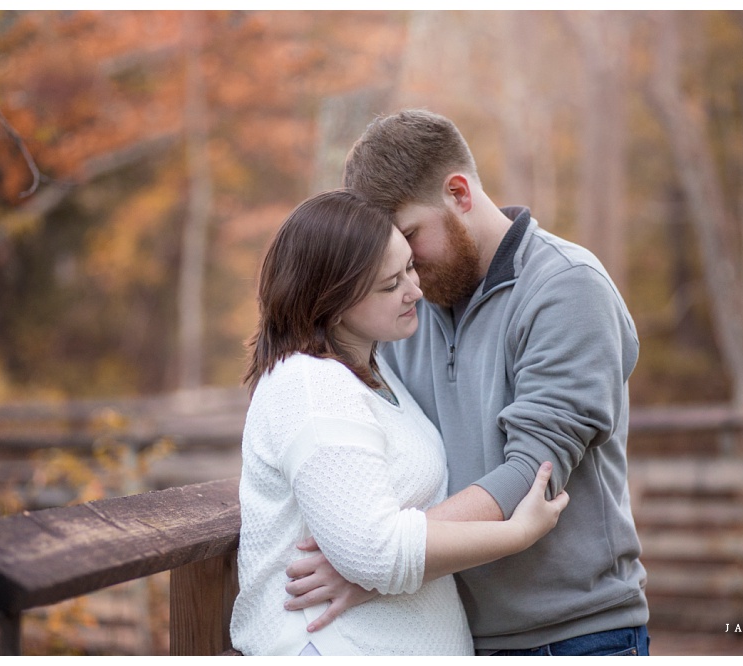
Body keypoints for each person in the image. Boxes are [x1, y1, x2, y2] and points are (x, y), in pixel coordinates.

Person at [286, 110, 650, 656]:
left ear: (458, 193)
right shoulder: (405, 310)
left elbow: (533, 474)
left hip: (574, 635)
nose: (402, 269)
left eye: (409, 237)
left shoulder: (567, 289)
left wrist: (378, 562)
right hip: (447, 637)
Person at [228, 189, 569, 656]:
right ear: (333, 299)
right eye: (390, 285)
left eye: (410, 267)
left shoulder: (373, 372)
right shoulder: (312, 386)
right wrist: (517, 534)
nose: (415, 290)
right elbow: (375, 551)